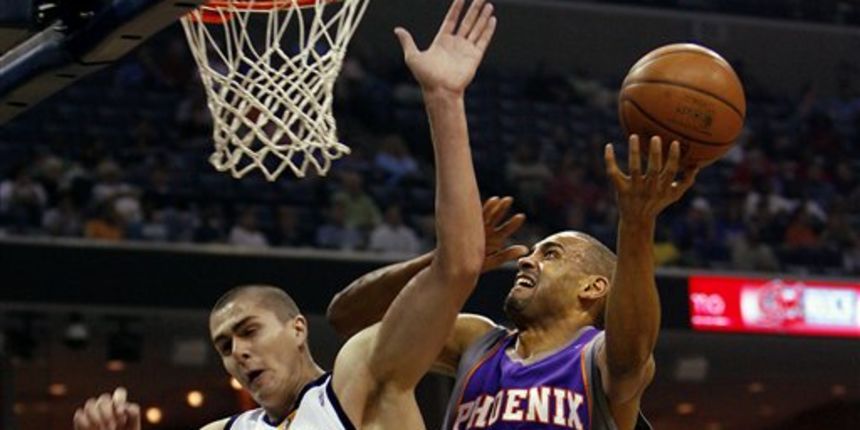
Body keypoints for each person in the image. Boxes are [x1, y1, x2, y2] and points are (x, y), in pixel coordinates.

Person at [72, 0, 498, 428]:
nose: (238, 352)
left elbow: (457, 267)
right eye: (224, 346)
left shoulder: (361, 376)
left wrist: (443, 99)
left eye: (249, 331)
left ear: (297, 329)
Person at [327, 136, 699, 429]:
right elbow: (350, 320)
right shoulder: (477, 341)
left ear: (593, 288)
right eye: (532, 252)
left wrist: (636, 223)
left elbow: (631, 352)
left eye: (550, 255)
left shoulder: (597, 357)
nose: (525, 259)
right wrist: (444, 263)